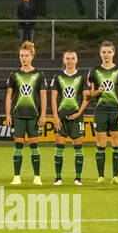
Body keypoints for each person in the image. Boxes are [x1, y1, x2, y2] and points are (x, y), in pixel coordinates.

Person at [84, 40, 118, 183]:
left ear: (113, 53)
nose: (106, 55)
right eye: (104, 52)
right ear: (100, 54)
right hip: (100, 111)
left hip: (116, 111)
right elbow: (89, 95)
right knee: (101, 145)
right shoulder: (94, 71)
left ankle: (115, 176)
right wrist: (98, 91)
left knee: (116, 144)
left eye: (109, 52)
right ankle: (101, 176)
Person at [5, 41, 46, 185]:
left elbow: (43, 96)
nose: (24, 58)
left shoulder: (39, 74)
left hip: (34, 115)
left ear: (32, 56)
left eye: (26, 56)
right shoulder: (14, 74)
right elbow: (9, 96)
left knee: (34, 145)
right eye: (21, 56)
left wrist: (43, 115)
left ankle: (37, 177)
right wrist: (8, 115)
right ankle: (17, 176)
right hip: (18, 115)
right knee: (18, 145)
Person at [49, 50, 87, 186]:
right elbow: (53, 98)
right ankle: (58, 177)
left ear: (76, 60)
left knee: (78, 148)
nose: (70, 61)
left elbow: (86, 97)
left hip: (77, 117)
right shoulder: (58, 77)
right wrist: (55, 116)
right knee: (59, 148)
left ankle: (78, 178)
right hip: (61, 117)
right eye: (67, 58)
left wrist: (79, 113)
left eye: (72, 58)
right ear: (64, 60)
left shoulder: (82, 77)